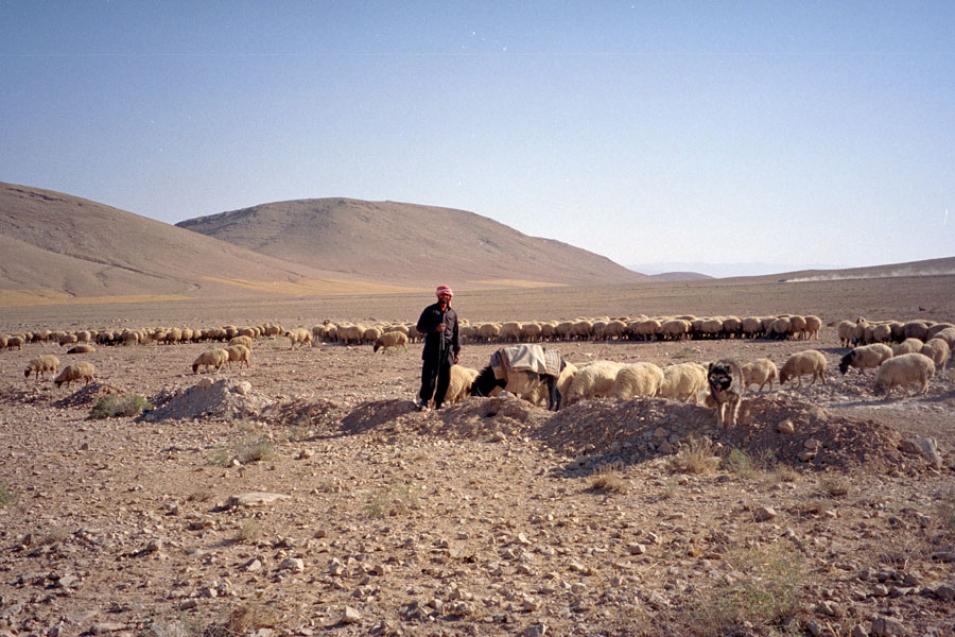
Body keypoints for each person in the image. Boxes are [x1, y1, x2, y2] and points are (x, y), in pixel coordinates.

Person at [415, 284, 460, 410]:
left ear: (450, 297)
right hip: (432, 348)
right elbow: (420, 327)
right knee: (429, 376)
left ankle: (440, 402)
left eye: (447, 295)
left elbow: (456, 333)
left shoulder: (452, 314)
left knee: (445, 377)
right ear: (438, 296)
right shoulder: (430, 310)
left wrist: (456, 352)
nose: (444, 297)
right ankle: (424, 401)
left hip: (447, 350)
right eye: (442, 294)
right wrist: (434, 328)